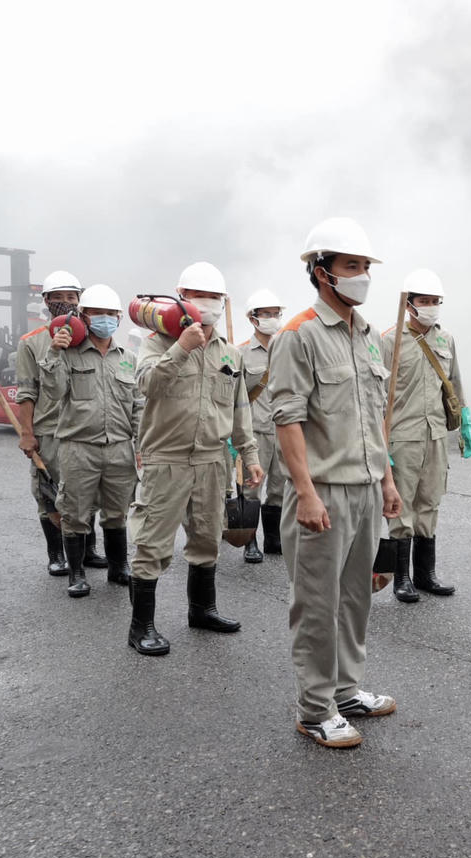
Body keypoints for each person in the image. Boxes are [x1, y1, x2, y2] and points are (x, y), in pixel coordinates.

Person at [270, 217, 402, 748]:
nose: (363, 276)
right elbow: (287, 418)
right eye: (353, 266)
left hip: (367, 488)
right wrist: (304, 492)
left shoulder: (368, 337)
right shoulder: (297, 335)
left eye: (366, 266)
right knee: (318, 604)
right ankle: (314, 708)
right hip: (322, 492)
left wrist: (388, 481)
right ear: (322, 272)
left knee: (355, 598)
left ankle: (346, 691)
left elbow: (376, 418)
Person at [128, 262, 263, 656]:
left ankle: (202, 609)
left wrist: (250, 455)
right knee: (152, 543)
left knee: (207, 537)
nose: (208, 304)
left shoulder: (229, 354)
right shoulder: (156, 343)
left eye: (215, 298)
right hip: (165, 459)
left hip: (212, 459)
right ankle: (141, 627)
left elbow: (240, 410)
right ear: (181, 297)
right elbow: (147, 385)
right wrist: (181, 348)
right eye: (199, 296)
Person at [379, 268, 471, 603]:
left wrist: (465, 421)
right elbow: (376, 395)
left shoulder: (445, 339)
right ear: (409, 304)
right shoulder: (388, 341)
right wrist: (380, 444)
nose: (431, 306)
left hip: (435, 435)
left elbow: (455, 383)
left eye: (436, 301)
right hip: (402, 436)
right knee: (401, 505)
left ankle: (425, 575)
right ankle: (401, 578)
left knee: (430, 501)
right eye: (425, 301)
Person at [43, 284, 141, 597]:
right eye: (97, 313)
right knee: (74, 512)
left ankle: (118, 567)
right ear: (83, 316)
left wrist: (142, 444)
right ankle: (77, 573)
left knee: (117, 511)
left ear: (119, 317)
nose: (104, 319)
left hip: (119, 448)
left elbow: (138, 404)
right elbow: (53, 391)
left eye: (110, 314)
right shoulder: (68, 355)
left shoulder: (127, 359)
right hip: (78, 447)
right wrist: (55, 352)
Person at [15, 271, 105, 575]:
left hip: (82, 429)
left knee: (87, 491)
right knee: (49, 494)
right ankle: (56, 555)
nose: (65, 303)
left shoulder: (88, 338)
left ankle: (88, 550)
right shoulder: (32, 343)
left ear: (80, 300)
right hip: (49, 430)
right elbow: (27, 392)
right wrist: (27, 434)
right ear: (46, 301)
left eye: (71, 297)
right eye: (58, 297)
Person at [239, 288, 287, 563]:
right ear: (253, 319)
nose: (271, 319)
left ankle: (273, 539)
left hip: (284, 430)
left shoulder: (288, 348)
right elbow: (234, 398)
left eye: (275, 314)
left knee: (279, 487)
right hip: (255, 432)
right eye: (265, 314)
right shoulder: (241, 353)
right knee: (251, 488)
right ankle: (249, 542)